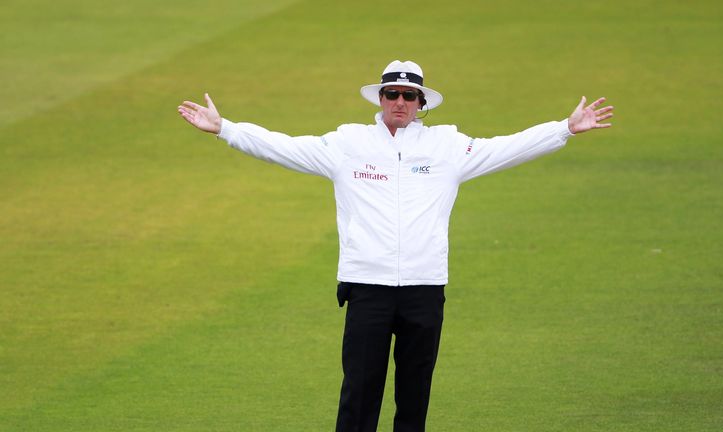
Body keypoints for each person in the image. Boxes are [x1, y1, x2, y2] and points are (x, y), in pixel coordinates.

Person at [177, 60, 613, 432]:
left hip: (425, 288)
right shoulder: (347, 143)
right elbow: (283, 147)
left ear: (422, 103)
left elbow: (507, 148)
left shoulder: (447, 146)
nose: (400, 103)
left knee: (415, 391)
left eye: (409, 95)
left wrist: (565, 129)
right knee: (360, 392)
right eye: (392, 94)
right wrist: (225, 129)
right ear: (380, 99)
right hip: (367, 286)